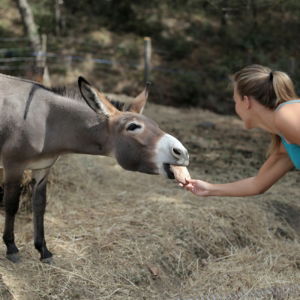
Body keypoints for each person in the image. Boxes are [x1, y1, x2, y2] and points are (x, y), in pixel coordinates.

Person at [183, 64, 300, 197]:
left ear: (246, 101)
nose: (236, 108)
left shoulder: (286, 117)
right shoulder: (284, 141)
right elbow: (257, 184)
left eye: (235, 101)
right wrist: (210, 189)